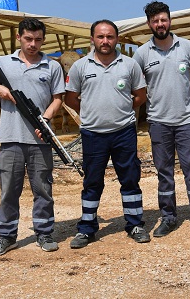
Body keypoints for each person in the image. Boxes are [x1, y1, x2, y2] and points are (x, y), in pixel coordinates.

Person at [0, 17, 65, 257]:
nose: (33, 44)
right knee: (9, 191)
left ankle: (44, 232)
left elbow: (58, 99)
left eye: (38, 39)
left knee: (43, 190)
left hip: (40, 140)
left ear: (43, 39)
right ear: (18, 38)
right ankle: (6, 237)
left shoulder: (52, 66)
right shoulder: (3, 63)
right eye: (28, 39)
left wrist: (46, 119)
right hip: (10, 138)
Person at [133, 1, 190, 238]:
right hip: (158, 122)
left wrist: (188, 91)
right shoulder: (142, 53)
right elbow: (135, 83)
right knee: (164, 172)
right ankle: (168, 217)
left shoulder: (187, 47)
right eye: (155, 21)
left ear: (169, 21)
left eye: (163, 19)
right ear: (149, 24)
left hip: (186, 121)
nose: (160, 24)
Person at [65, 20, 149, 248]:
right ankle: (87, 228)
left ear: (117, 39)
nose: (105, 41)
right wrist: (91, 114)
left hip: (124, 132)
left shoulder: (130, 66)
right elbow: (70, 99)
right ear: (92, 39)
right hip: (93, 134)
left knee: (130, 179)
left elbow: (140, 96)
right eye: (100, 37)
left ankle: (134, 224)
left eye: (110, 37)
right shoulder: (80, 67)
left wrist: (119, 111)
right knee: (92, 181)